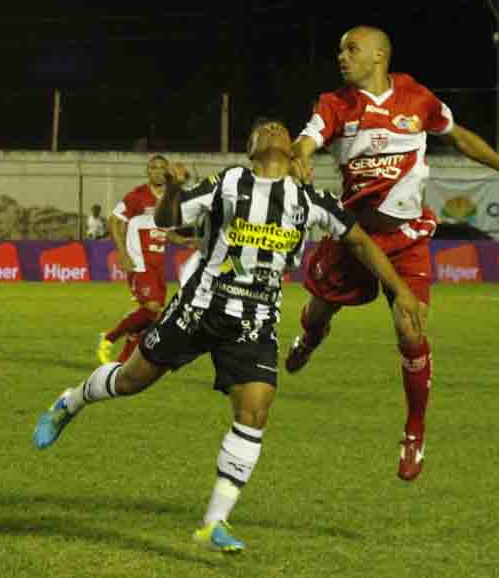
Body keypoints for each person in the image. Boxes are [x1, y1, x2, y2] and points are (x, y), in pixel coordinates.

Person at [33, 118, 427, 552]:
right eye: (266, 129)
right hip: (198, 308)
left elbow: (361, 243)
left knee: (255, 413)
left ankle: (215, 522)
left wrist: (400, 289)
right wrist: (176, 192)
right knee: (129, 381)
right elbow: (169, 220)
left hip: (253, 323)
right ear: (250, 148)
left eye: (281, 128)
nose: (276, 129)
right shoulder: (227, 184)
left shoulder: (313, 200)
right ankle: (69, 402)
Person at [286, 25, 499, 482]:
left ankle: (414, 431)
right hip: (356, 240)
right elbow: (307, 137)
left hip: (407, 239)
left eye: (351, 49)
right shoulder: (335, 104)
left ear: (379, 55)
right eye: (340, 50)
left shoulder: (416, 97)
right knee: (319, 309)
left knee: (410, 330)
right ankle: (310, 337)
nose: (342, 57)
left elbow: (461, 137)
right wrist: (300, 154)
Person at [97, 155, 196, 364]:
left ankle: (122, 363)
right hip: (139, 261)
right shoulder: (137, 196)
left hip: (157, 264)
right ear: (147, 172)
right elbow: (114, 221)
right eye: (154, 168)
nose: (158, 171)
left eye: (162, 168)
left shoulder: (171, 198)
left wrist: (187, 241)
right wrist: (123, 254)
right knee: (153, 309)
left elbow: (165, 232)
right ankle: (109, 337)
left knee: (149, 319)